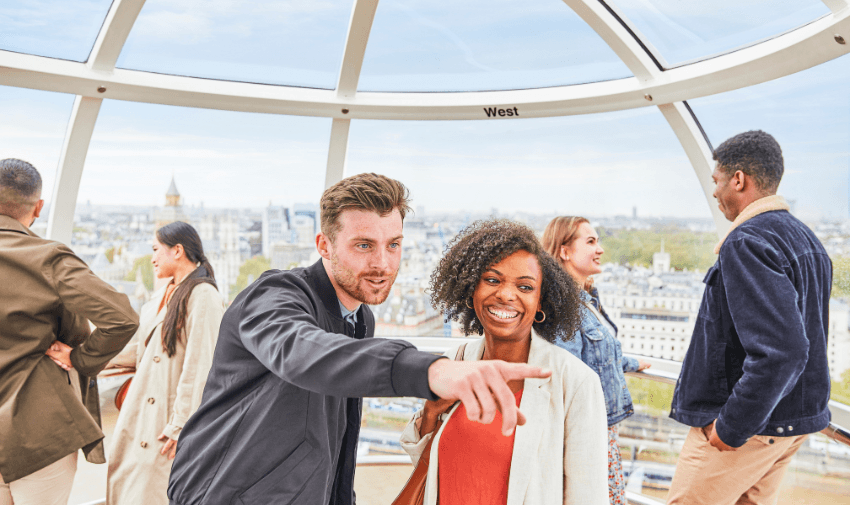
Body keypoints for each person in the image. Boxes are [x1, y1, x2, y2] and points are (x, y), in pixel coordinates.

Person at [167, 173, 553, 505]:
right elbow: (304, 353)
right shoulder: (275, 295)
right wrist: (431, 370)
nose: (383, 264)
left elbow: (339, 434)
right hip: (222, 493)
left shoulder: (359, 318)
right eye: (364, 245)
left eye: (394, 245)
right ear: (324, 246)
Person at [667, 130, 832, 505]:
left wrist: (730, 427)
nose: (714, 192)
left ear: (738, 179)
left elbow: (783, 351)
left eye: (717, 180)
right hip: (789, 424)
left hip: (749, 429)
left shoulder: (746, 241)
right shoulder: (807, 240)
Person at [401, 219, 609, 505]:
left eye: (525, 287)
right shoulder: (455, 362)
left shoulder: (575, 383)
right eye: (492, 280)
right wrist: (429, 413)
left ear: (541, 302)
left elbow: (588, 497)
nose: (506, 295)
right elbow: (431, 464)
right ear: (470, 289)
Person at [0, 158, 139, 505]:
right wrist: (80, 357)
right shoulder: (48, 258)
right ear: (39, 207)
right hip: (39, 429)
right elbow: (122, 318)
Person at [104, 221, 226, 505]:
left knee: (149, 491)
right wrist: (88, 359)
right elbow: (148, 349)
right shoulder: (166, 293)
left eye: (156, 249)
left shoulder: (204, 295)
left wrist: (181, 423)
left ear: (178, 251)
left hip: (166, 420)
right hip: (143, 410)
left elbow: (200, 364)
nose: (152, 257)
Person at [542, 216, 651, 504]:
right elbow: (566, 377)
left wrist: (627, 362)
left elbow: (592, 357)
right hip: (587, 435)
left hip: (600, 430)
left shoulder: (584, 299)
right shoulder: (562, 307)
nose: (600, 248)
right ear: (564, 251)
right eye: (590, 241)